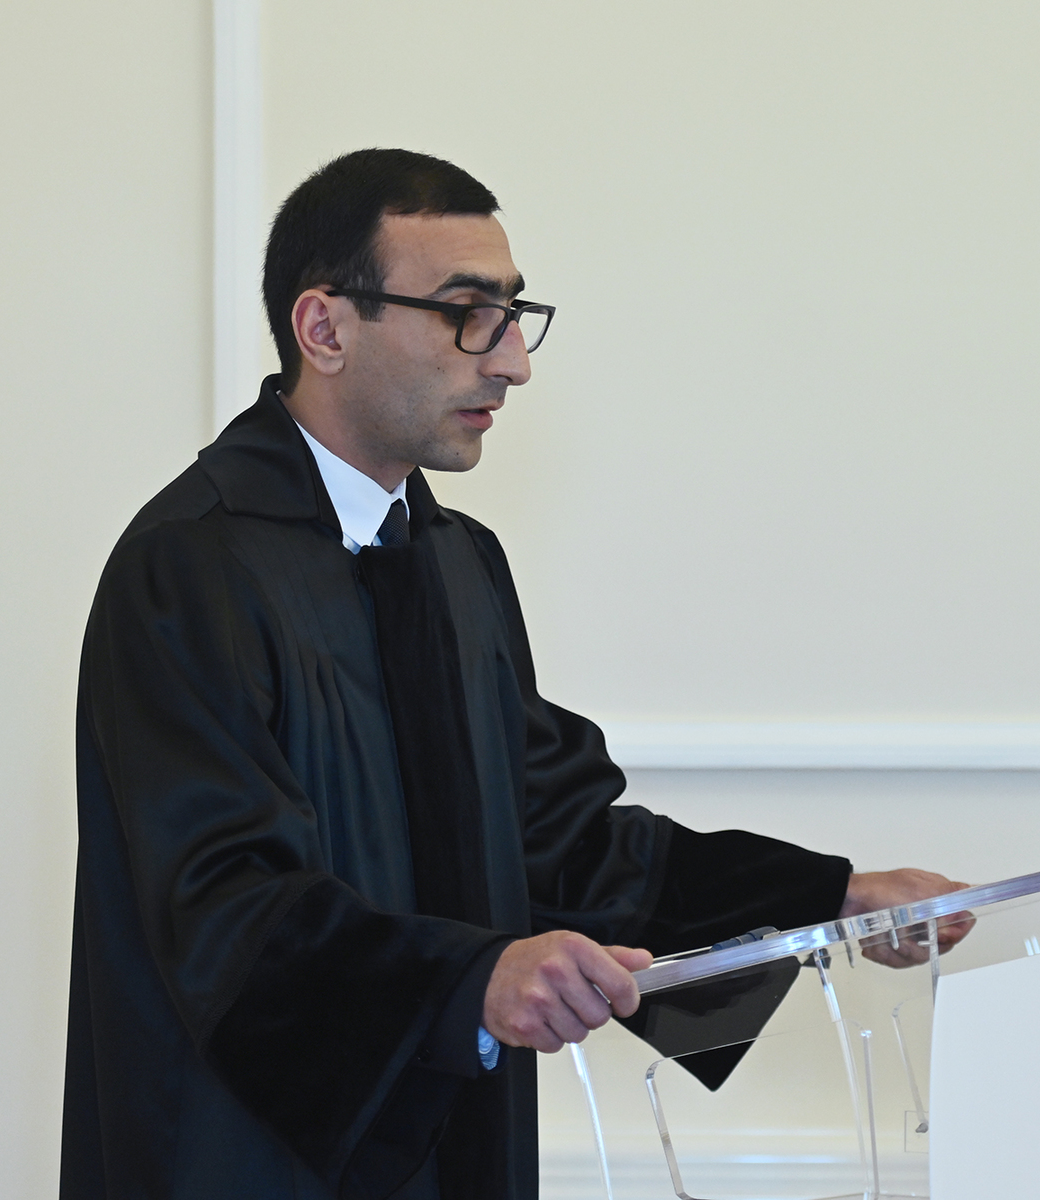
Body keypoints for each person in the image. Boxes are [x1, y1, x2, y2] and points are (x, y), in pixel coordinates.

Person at [60, 148, 967, 1200]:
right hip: (243, 1162)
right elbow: (225, 907)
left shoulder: (457, 563)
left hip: (458, 1151)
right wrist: (471, 983)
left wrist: (830, 899)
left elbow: (556, 843)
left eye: (514, 314)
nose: (512, 363)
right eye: (466, 314)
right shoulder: (189, 565)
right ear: (325, 329)